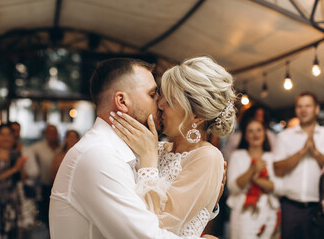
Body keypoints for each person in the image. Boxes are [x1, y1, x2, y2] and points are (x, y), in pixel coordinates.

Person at [49, 57, 221, 239]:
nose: (160, 103)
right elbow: (147, 233)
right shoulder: (99, 156)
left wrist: (206, 200)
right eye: (153, 94)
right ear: (122, 101)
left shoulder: (124, 152)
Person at [109, 56, 236, 236]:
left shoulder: (207, 157)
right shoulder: (159, 148)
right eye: (161, 94)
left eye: (170, 100)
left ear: (197, 116)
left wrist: (148, 159)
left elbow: (156, 228)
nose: (159, 104)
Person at [273, 91, 324, 239]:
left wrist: (314, 151)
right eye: (300, 106)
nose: (303, 109)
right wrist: (301, 152)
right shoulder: (284, 136)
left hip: (318, 208)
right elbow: (277, 170)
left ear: (316, 109)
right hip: (290, 207)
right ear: (296, 110)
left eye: (308, 106)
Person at [227, 119, 280, 239]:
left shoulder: (271, 157)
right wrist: (252, 170)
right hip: (243, 213)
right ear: (245, 136)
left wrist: (256, 180)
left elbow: (276, 187)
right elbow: (233, 187)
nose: (255, 134)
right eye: (251, 131)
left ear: (264, 134)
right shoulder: (237, 156)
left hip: (268, 212)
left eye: (258, 130)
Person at [26, 124, 61, 226]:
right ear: (45, 134)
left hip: (62, 187)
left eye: (54, 132)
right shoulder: (38, 147)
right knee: (46, 217)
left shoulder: (63, 147)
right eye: (50, 132)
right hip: (46, 187)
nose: (53, 135)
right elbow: (25, 152)